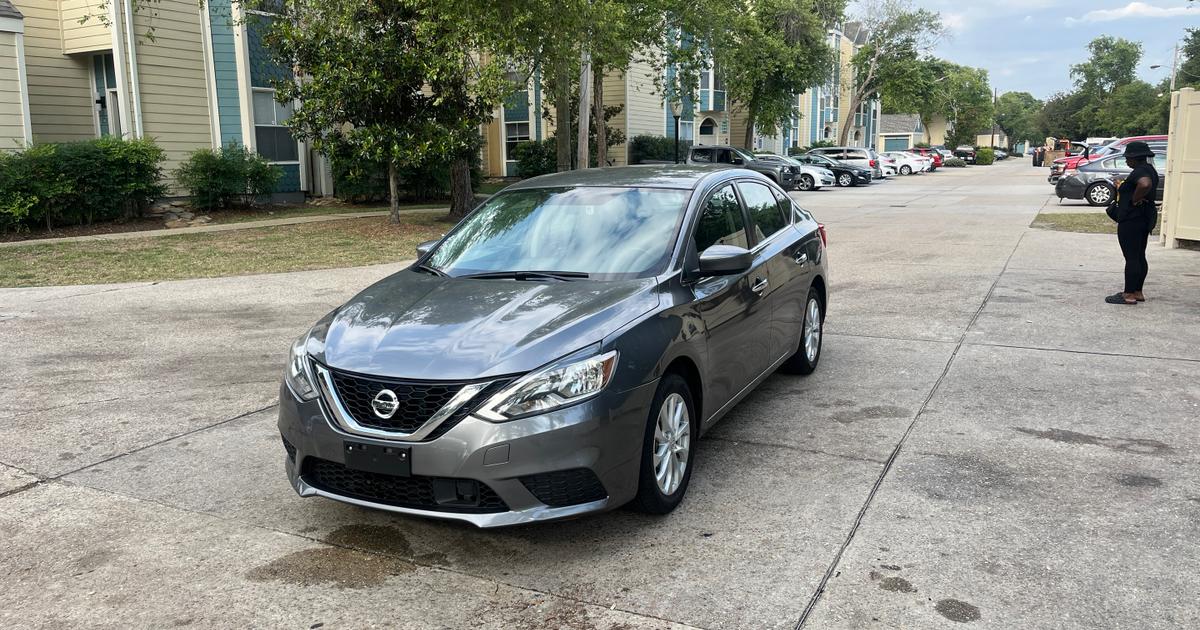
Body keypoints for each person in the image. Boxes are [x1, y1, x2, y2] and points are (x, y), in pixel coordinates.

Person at [1106, 141, 1160, 305]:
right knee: (1139, 255)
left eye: (1127, 158)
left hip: (1132, 219)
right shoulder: (1150, 170)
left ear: (1134, 158)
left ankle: (1128, 294)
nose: (1127, 161)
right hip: (1144, 218)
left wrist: (1135, 199)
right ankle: (1137, 292)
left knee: (1131, 257)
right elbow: (1145, 183)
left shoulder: (1140, 171)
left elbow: (1145, 184)